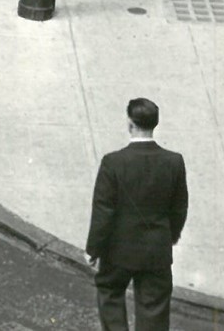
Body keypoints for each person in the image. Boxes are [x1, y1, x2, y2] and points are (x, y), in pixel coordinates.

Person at [88, 97, 189, 331]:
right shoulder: (174, 162)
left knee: (110, 293)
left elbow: (103, 211)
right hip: (156, 249)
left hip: (118, 250)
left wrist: (94, 249)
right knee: (154, 308)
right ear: (155, 124)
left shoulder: (113, 162)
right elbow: (179, 208)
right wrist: (170, 236)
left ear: (130, 124)